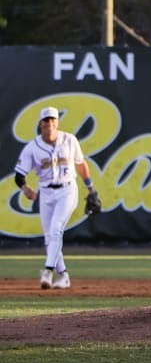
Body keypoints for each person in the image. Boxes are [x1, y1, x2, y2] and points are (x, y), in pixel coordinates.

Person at [13, 106, 99, 289]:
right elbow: (19, 175)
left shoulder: (69, 140)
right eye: (46, 120)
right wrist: (25, 188)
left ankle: (47, 272)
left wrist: (90, 188)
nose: (50, 123)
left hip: (67, 190)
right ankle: (64, 276)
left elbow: (80, 164)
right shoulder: (32, 148)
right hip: (45, 193)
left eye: (53, 120)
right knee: (49, 237)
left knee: (56, 229)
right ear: (40, 124)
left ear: (57, 122)